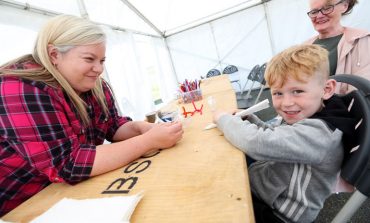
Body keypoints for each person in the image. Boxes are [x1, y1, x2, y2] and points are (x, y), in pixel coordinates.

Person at [0, 15, 183, 216]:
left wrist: (141, 128)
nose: (99, 69)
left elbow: (113, 126)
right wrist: (147, 141)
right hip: (17, 204)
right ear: (54, 54)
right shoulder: (20, 88)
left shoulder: (93, 84)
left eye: (102, 60)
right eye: (89, 59)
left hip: (64, 193)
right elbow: (70, 163)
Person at [212, 44, 357, 223]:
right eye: (278, 93)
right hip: (268, 188)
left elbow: (256, 143)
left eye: (297, 91)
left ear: (327, 90)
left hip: (278, 212)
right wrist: (250, 119)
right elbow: (278, 136)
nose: (287, 103)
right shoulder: (310, 113)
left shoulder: (320, 134)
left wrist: (223, 120)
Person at [305, 0, 370, 93]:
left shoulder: (363, 40)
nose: (319, 16)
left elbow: (363, 88)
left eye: (327, 8)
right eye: (314, 12)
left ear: (344, 6)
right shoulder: (303, 48)